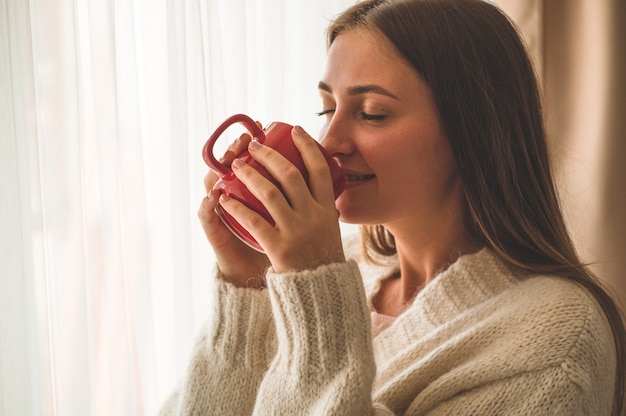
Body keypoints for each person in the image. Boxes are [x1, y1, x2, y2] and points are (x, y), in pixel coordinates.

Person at [160, 0, 625, 414]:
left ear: (474, 132)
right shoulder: (341, 269)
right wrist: (250, 289)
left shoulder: (555, 334)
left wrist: (315, 288)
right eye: (328, 109)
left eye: (372, 114)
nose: (330, 142)